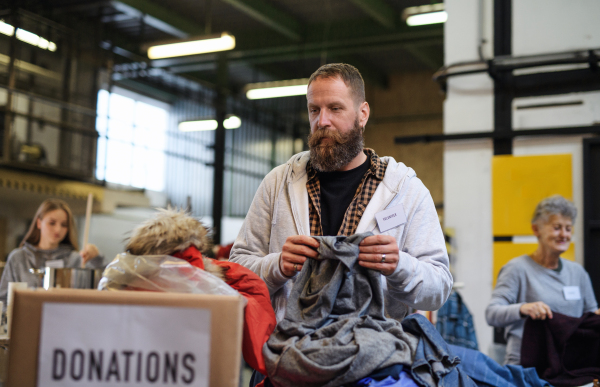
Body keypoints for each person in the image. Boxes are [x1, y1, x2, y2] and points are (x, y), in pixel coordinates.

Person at [229, 63, 452, 323]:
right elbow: (236, 273)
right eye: (314, 110)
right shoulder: (278, 184)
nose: (322, 121)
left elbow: (439, 289)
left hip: (373, 355)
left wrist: (399, 266)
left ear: (362, 114)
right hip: (286, 352)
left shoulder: (405, 191)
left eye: (335, 108)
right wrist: (276, 266)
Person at [486, 195, 599, 365]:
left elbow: (591, 316)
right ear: (536, 229)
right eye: (556, 227)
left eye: (568, 228)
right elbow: (492, 314)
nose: (564, 234)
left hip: (569, 366)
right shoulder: (516, 269)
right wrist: (523, 308)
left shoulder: (578, 273)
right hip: (526, 368)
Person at [0, 198, 104, 305]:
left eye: (64, 225)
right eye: (52, 223)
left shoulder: (75, 259)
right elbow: (3, 299)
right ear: (39, 223)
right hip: (24, 319)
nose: (58, 230)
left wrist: (97, 258)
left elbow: (106, 283)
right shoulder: (18, 257)